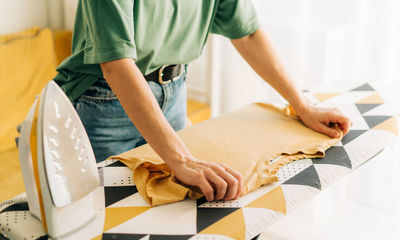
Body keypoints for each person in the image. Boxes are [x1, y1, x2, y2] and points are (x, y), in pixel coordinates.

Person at [54, 0, 351, 203]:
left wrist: (302, 105)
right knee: (101, 222)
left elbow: (247, 35)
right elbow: (117, 64)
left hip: (173, 91)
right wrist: (181, 159)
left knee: (178, 211)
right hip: (102, 103)